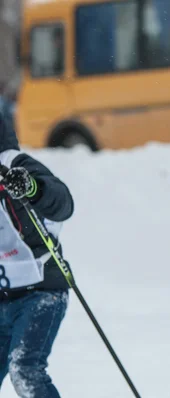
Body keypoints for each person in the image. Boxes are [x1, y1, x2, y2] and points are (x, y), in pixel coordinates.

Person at [0, 115, 74, 397]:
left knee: (25, 371)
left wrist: (32, 188)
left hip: (41, 292)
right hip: (3, 294)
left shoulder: (12, 163)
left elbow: (63, 203)